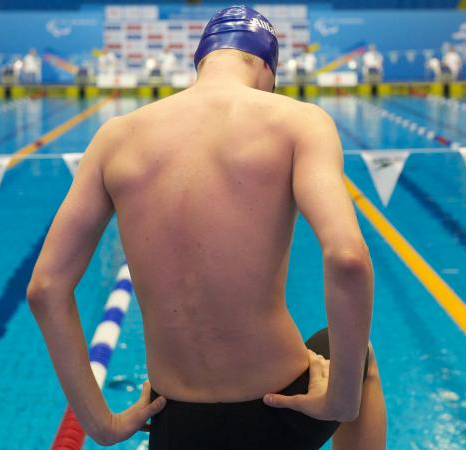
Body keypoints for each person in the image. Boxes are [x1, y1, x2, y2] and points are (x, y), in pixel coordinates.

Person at [28, 5, 386, 450]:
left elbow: (45, 287)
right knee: (360, 360)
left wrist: (100, 425)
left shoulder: (115, 137)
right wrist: (340, 400)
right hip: (279, 409)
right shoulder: (298, 121)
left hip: (174, 419)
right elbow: (348, 259)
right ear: (265, 65)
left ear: (202, 62)